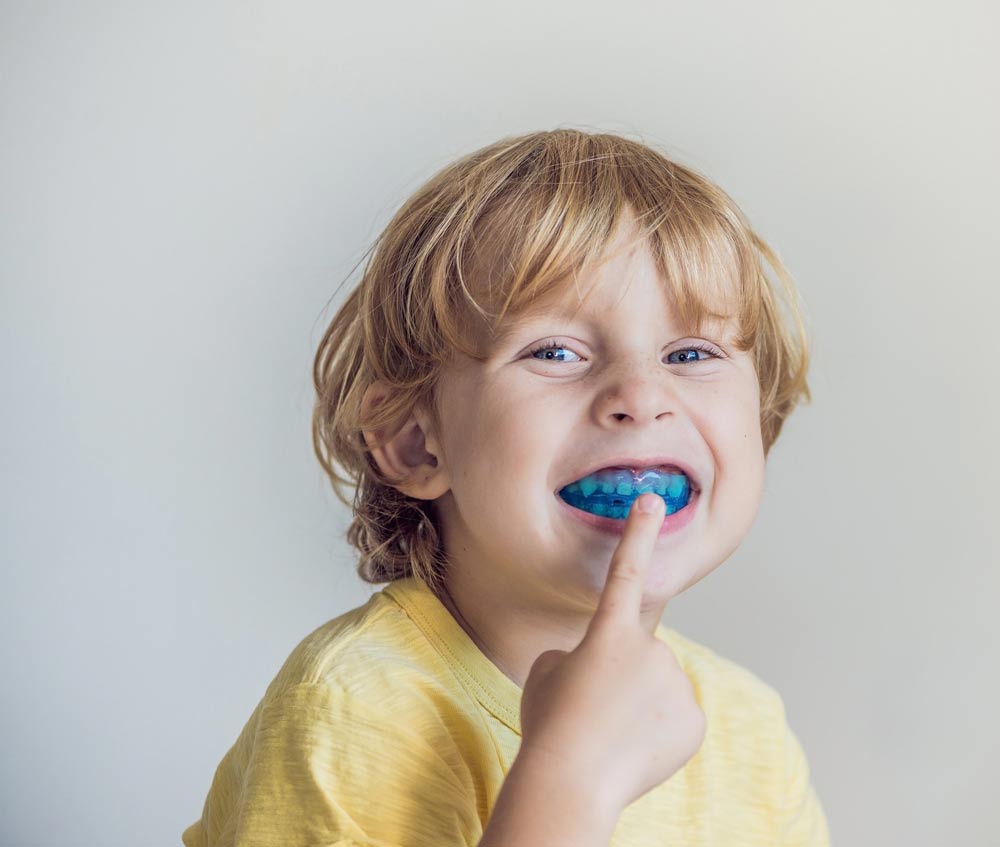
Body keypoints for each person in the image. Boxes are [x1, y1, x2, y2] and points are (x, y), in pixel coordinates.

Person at [182, 129, 832, 846]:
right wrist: (571, 775)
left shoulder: (751, 728)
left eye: (691, 353)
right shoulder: (353, 706)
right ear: (414, 441)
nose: (643, 396)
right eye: (554, 351)